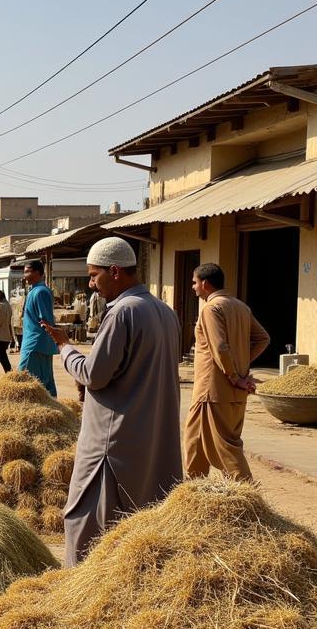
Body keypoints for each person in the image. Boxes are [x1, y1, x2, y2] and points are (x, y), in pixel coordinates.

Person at [40, 237, 182, 567]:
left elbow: (94, 374)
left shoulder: (122, 313)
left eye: (93, 276)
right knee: (139, 527)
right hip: (151, 438)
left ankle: (79, 594)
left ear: (114, 271)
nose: (91, 285)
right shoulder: (164, 311)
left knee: (86, 524)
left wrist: (65, 348)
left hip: (113, 442)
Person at [183, 262, 270, 482]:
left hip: (212, 391)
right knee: (194, 440)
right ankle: (194, 490)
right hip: (228, 392)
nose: (193, 288)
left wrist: (234, 376)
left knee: (225, 446)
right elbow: (263, 339)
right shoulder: (241, 306)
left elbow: (220, 347)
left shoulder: (211, 309)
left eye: (194, 283)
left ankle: (247, 494)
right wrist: (240, 367)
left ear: (204, 283)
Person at [19, 261, 58, 396]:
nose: (25, 276)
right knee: (45, 384)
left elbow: (45, 320)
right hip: (39, 344)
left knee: (24, 383)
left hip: (35, 345)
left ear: (37, 273)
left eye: (27, 271)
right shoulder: (35, 291)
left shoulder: (40, 292)